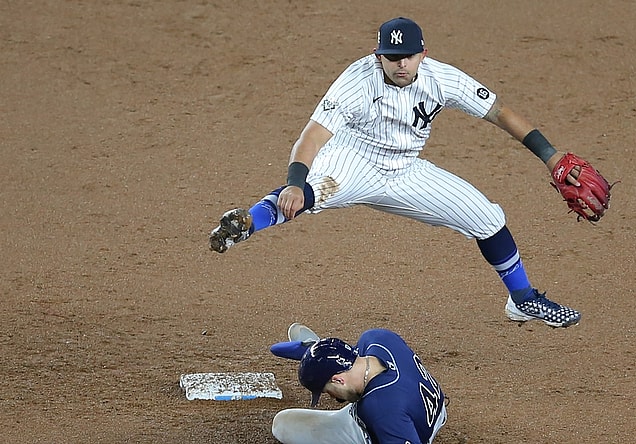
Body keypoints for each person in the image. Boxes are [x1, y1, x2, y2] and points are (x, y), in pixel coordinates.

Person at [210, 17, 586, 328]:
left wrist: (551, 157)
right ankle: (247, 222)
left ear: (423, 54)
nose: (400, 64)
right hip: (355, 158)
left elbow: (500, 113)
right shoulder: (357, 81)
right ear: (379, 56)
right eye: (392, 58)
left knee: (488, 219)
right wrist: (294, 182)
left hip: (406, 170)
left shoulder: (444, 79)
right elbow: (312, 136)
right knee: (311, 191)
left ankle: (522, 298)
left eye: (408, 56)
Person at [269, 324, 447, 444]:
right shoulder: (378, 338)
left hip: (404, 429)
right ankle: (318, 353)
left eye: (328, 391)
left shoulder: (378, 410)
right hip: (433, 406)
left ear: (338, 379)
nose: (331, 397)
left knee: (284, 424)